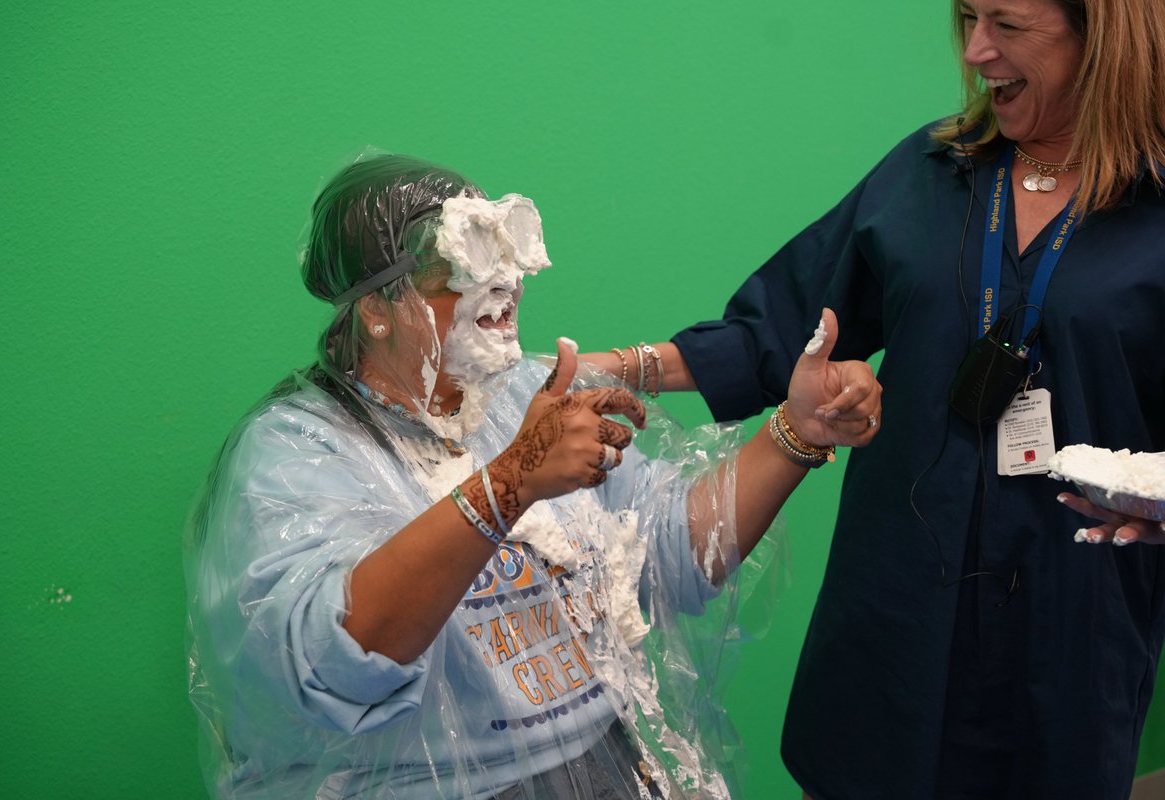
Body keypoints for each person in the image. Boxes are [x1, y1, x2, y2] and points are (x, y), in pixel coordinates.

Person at [584, 0, 1165, 797]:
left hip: (1069, 629)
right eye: (968, 17)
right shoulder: (932, 170)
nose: (977, 51)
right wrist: (609, 368)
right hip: (897, 617)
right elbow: (782, 327)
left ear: (1103, 34)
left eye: (1008, 24)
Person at [184, 154, 882, 799]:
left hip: (605, 766)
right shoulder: (298, 450)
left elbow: (672, 554)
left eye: (506, 255)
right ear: (375, 309)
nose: (504, 284)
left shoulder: (525, 396)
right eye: (461, 264)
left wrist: (795, 434)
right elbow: (329, 661)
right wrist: (508, 484)